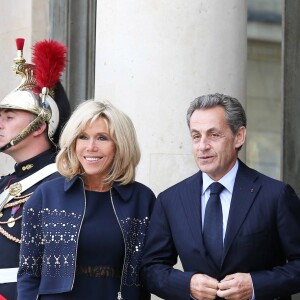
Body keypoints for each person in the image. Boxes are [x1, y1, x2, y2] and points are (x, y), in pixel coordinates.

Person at [141, 93, 300, 300]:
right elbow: (151, 269)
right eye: (196, 136)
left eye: (214, 135)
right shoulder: (171, 199)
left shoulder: (276, 195)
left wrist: (254, 285)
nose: (202, 146)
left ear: (239, 136)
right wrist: (187, 284)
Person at [17, 99, 156, 300]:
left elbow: (151, 269)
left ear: (121, 145)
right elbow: (29, 273)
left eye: (102, 138)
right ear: (73, 143)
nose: (90, 147)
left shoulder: (142, 199)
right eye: (83, 137)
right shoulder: (46, 195)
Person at [0, 38, 70, 300]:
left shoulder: (62, 184)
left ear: (39, 126)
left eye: (9, 117)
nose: (0, 124)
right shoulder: (5, 184)